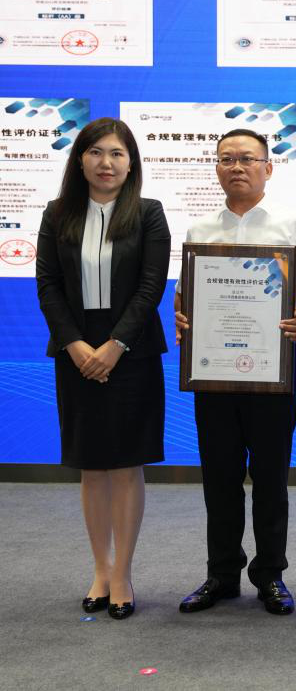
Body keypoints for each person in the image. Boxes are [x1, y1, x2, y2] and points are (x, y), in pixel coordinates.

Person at [174, 128, 296, 616]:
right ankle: (221, 574)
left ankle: (271, 574)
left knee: (270, 475)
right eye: (226, 159)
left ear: (268, 167)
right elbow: (185, 295)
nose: (236, 167)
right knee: (219, 474)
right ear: (216, 168)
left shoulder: (293, 224)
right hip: (214, 369)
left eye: (247, 159)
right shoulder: (200, 228)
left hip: (275, 364)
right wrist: (182, 319)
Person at [35, 117, 171, 621]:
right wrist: (74, 345)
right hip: (75, 351)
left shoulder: (149, 213)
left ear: (131, 162)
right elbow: (48, 285)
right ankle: (100, 569)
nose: (106, 163)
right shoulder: (57, 214)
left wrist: (115, 346)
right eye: (95, 152)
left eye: (116, 153)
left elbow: (151, 286)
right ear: (80, 161)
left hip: (131, 349)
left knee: (126, 464)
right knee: (92, 465)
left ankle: (123, 574)